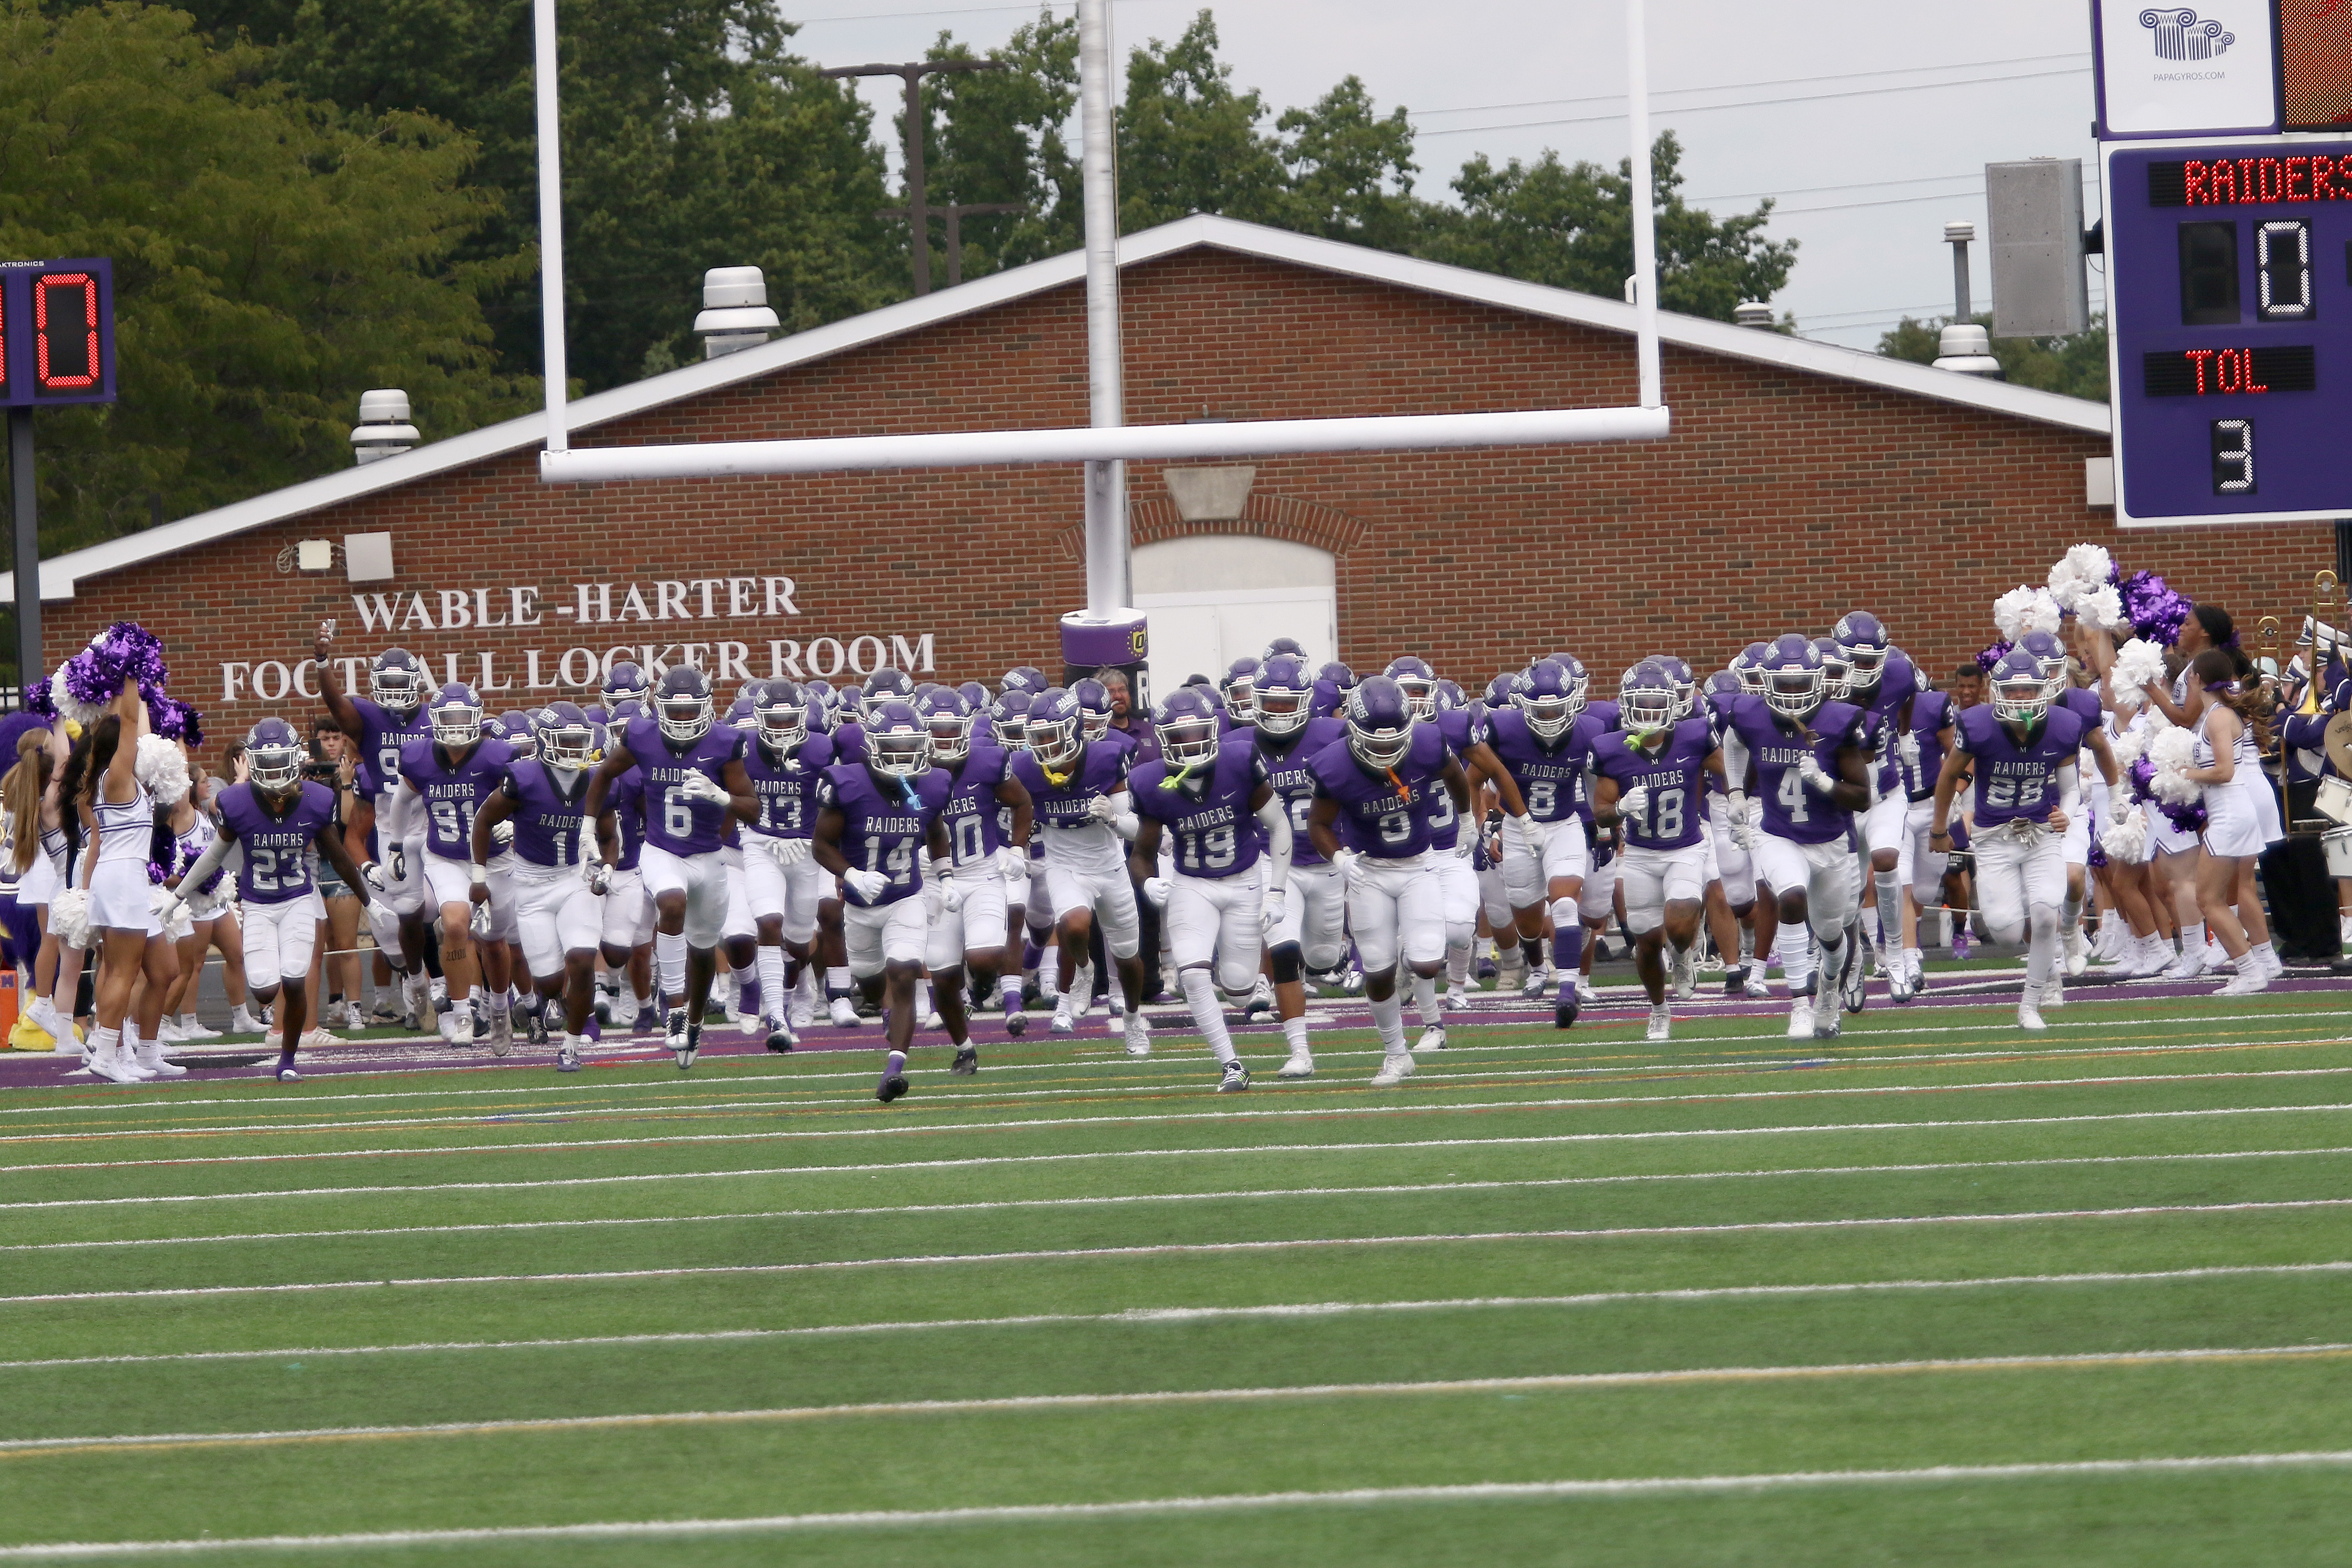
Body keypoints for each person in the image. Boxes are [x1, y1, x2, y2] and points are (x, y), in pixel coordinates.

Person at [166, 718, 375, 1081]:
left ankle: (288, 1060)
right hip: (258, 903)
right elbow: (214, 856)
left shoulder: (316, 799)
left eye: (282, 761)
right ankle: (280, 1027)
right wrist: (179, 894)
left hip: (297, 898)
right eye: (269, 762)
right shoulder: (236, 801)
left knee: (295, 979)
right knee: (265, 990)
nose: (277, 772)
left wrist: (371, 903)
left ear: (295, 760)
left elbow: (339, 857)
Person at [585, 666, 757, 1068]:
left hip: (709, 857)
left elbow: (753, 807)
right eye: (674, 712)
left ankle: (694, 1021)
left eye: (689, 711)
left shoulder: (725, 742)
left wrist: (722, 796)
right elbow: (604, 775)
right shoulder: (643, 735)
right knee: (671, 903)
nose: (681, 720)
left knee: (702, 948)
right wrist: (588, 828)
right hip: (661, 850)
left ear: (706, 707)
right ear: (658, 707)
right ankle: (674, 1007)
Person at [1307, 675, 1473, 1086]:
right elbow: (1318, 824)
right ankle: (1396, 1055)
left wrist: (1467, 818)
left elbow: (1456, 776)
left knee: (1426, 961)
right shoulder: (1334, 764)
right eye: (1376, 741)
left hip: (1419, 864)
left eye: (1394, 738)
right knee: (1378, 972)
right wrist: (1340, 859)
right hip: (1370, 872)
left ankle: (1408, 960)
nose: (1386, 749)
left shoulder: (1428, 743)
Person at [1129, 685, 1288, 1091]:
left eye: (1197, 733)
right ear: (1163, 740)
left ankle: (1230, 971)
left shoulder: (1238, 761)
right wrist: (1148, 883)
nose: (1189, 744)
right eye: (1178, 737)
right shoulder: (1151, 782)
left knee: (1239, 990)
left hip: (1245, 879)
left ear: (1213, 731)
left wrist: (1277, 891)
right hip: (1192, 883)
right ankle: (1232, 1065)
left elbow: (1279, 826)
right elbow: (1142, 852)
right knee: (1194, 977)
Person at [1720, 635, 1872, 1041]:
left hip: (1831, 842)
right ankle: (1798, 1006)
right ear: (1766, 684)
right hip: (1778, 834)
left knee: (1831, 934)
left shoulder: (1838, 721)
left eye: (1800, 685)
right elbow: (1732, 741)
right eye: (1783, 686)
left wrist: (1825, 782)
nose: (1791, 695)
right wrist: (1736, 792)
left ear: (1818, 681)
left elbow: (1862, 797)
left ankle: (1828, 991)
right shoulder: (1750, 714)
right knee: (1789, 897)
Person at [1930, 649, 2084, 1030]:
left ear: (2043, 691)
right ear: (1996, 692)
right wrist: (1938, 830)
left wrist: (2066, 809)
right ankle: (2045, 966)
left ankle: (2031, 1004)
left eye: (2029, 690)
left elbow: (2071, 787)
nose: (2021, 698)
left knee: (2047, 913)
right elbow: (1949, 777)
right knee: (2007, 932)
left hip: (2040, 833)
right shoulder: (1977, 725)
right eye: (2012, 691)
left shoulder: (2062, 725)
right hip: (1993, 837)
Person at [810, 700, 953, 1101]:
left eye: (911, 748)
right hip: (859, 907)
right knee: (873, 982)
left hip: (905, 898)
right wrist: (851, 874)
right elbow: (821, 844)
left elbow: (936, 830)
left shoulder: (933, 783)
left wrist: (945, 876)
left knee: (905, 972)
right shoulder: (847, 784)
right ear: (873, 747)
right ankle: (888, 1012)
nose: (904, 759)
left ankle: (895, 1067)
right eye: (894, 749)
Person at [470, 702, 613, 1070]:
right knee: (549, 983)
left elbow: (612, 835)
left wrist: (608, 867)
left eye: (579, 741)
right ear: (546, 742)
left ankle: (571, 1046)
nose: (573, 750)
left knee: (581, 960)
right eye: (565, 742)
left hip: (575, 877)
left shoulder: (597, 780)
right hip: (531, 884)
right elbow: (483, 820)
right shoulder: (525, 777)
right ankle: (560, 1003)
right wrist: (479, 878)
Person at [1589, 659, 1726, 1041]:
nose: (1649, 714)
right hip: (1640, 853)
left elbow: (1725, 766)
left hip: (1687, 846)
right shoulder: (1611, 748)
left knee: (1680, 925)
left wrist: (1736, 799)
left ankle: (1683, 955)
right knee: (1646, 944)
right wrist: (1618, 809)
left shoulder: (1695, 734)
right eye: (1641, 705)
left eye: (1656, 705)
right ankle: (1658, 1009)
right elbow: (1600, 813)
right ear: (1626, 705)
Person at [1010, 686, 1151, 1052]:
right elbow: (1012, 809)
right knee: (1073, 924)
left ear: (1073, 730)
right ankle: (1085, 970)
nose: (1044, 746)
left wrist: (1115, 818)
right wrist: (1013, 848)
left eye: (1050, 737)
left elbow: (1138, 827)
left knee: (1129, 959)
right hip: (1064, 865)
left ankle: (1133, 1020)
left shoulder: (1105, 758)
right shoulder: (1026, 767)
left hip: (1109, 866)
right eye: (1037, 738)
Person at [314, 627, 435, 1026]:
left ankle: (454, 993)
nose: (398, 691)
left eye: (404, 683)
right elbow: (335, 704)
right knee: (397, 931)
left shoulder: (437, 718)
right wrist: (322, 664)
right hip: (389, 828)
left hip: (435, 820)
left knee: (446, 911)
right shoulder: (367, 719)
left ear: (417, 683)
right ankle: (417, 984)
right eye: (390, 684)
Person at [387, 683, 515, 1049]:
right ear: (436, 721)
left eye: (464, 719)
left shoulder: (497, 756)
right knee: (456, 924)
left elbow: (526, 800)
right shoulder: (419, 757)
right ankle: (462, 1015)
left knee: (493, 941)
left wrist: (515, 824)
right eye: (449, 719)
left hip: (495, 859)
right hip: (444, 856)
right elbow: (401, 801)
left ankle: (501, 1009)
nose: (457, 727)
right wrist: (396, 844)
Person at [72, 678, 182, 1082]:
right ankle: (104, 1055)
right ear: (120, 746)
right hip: (123, 881)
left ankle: (140, 1053)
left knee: (159, 969)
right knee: (122, 971)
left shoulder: (120, 778)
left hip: (124, 879)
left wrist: (124, 684)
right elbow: (131, 719)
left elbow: (133, 721)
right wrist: (133, 670)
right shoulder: (116, 777)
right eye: (130, 739)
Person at [1250, 655, 1348, 1078]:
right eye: (1269, 704)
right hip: (1274, 866)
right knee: (1284, 950)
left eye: (1287, 704)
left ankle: (1336, 954)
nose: (1277, 713)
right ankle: (1300, 1052)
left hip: (1325, 864)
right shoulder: (1240, 744)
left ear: (1307, 702)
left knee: (1322, 958)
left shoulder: (1334, 735)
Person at [921, 687, 1032, 1059]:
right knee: (943, 974)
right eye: (935, 729)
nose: (944, 737)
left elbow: (1022, 801)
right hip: (932, 874)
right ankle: (964, 1046)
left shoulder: (988, 762)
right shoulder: (907, 768)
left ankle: (980, 989)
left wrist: (1017, 847)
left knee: (985, 958)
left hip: (982, 870)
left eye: (951, 728)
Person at [1484, 658, 1588, 1026]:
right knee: (1526, 918)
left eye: (1555, 707)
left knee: (1563, 903)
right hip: (1517, 828)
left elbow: (1597, 788)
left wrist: (1608, 825)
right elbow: (1476, 779)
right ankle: (1538, 967)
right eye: (1540, 708)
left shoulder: (1588, 730)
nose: (1548, 715)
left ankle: (1567, 992)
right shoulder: (1503, 729)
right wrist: (1482, 823)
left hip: (1564, 825)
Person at [735, 680, 836, 1051]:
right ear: (759, 719)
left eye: (788, 720)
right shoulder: (743, 748)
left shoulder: (821, 747)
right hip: (761, 844)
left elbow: (839, 800)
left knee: (798, 942)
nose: (781, 728)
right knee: (768, 923)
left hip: (807, 849)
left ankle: (803, 981)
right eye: (773, 721)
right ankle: (777, 1016)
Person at [2180, 648, 2283, 994]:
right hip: (2229, 813)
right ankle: (2252, 966)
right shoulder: (2219, 714)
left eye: (2190, 677)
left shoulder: (2219, 717)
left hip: (2230, 814)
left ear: (2198, 679)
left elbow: (2225, 771)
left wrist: (2184, 774)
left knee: (2208, 899)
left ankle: (2251, 971)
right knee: (2213, 897)